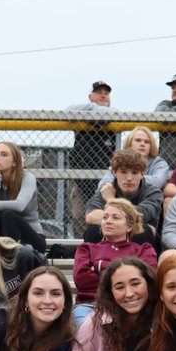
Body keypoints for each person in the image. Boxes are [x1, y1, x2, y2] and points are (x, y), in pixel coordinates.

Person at [71, 257, 156, 351]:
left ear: (148, 284)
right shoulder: (95, 323)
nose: (129, 294)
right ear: (110, 292)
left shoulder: (161, 318)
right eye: (120, 287)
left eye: (135, 284)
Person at [74, 198, 158, 304]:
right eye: (105, 217)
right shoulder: (86, 249)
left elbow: (149, 279)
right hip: (91, 304)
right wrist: (129, 277)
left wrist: (99, 266)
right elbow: (81, 280)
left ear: (129, 226)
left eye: (115, 218)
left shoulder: (144, 250)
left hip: (131, 303)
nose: (108, 221)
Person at [66, 81, 119, 238]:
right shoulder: (82, 115)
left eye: (106, 93)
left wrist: (100, 111)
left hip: (107, 183)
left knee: (107, 219)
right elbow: (68, 111)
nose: (103, 95)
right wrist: (94, 109)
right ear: (90, 97)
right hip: (81, 181)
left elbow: (115, 112)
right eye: (99, 92)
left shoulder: (114, 118)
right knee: (79, 218)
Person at [0, 141, 48, 253]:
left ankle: (11, 258)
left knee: (9, 214)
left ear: (14, 162)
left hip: (31, 240)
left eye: (4, 154)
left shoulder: (27, 178)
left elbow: (19, 205)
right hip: (0, 237)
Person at [83, 148, 163, 244]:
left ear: (142, 173)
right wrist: (124, 221)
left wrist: (110, 200)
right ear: (114, 172)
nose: (129, 178)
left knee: (143, 230)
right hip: (108, 243)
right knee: (93, 230)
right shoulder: (106, 190)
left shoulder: (152, 193)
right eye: (123, 172)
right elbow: (91, 217)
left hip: (140, 244)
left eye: (134, 172)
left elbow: (140, 216)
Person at [98, 127, 171, 192]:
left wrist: (122, 179)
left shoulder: (159, 163)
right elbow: (103, 184)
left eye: (147, 142)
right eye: (138, 140)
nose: (142, 144)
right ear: (130, 143)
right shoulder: (121, 160)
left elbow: (157, 183)